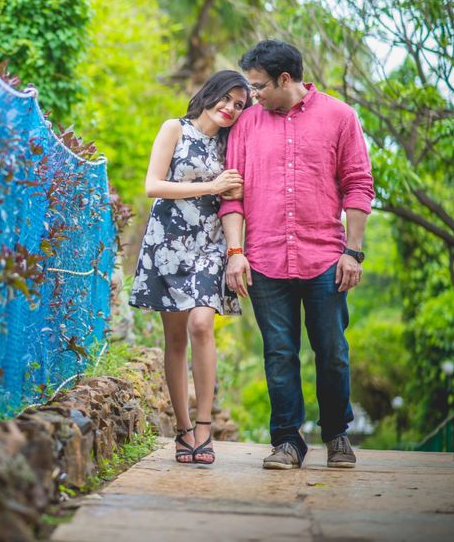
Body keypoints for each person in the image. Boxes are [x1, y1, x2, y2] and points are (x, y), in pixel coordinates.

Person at [221, 40, 374, 470]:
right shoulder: (247, 125)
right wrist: (236, 252)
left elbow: (358, 185)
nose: (252, 96)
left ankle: (337, 436)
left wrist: (353, 252)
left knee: (332, 351)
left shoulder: (340, 117)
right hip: (264, 259)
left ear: (285, 79)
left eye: (258, 86)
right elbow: (233, 194)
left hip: (325, 258)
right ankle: (287, 441)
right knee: (279, 353)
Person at [129, 70, 251, 465]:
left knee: (202, 323)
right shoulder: (174, 129)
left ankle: (204, 427)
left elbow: (237, 195)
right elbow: (153, 186)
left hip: (211, 243)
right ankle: (183, 431)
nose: (231, 108)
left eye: (239, 105)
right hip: (168, 243)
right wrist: (211, 187)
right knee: (176, 338)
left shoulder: (232, 145)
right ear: (211, 93)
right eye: (228, 99)